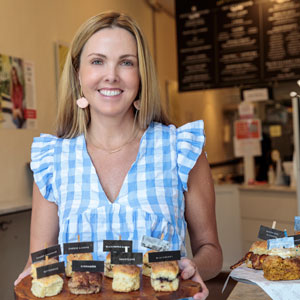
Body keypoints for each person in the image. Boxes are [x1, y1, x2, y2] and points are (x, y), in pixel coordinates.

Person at [15, 11, 222, 299]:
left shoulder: (180, 150)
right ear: (78, 73)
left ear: (141, 75)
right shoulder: (53, 159)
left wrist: (192, 267)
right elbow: (40, 260)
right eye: (97, 61)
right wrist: (29, 279)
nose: (111, 75)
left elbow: (210, 250)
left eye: (126, 62)